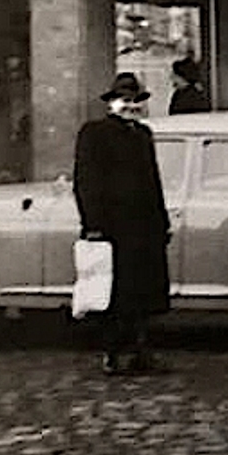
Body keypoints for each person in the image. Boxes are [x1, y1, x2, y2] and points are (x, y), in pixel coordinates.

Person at [73, 72, 171, 375]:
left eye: (135, 101)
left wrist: (162, 220)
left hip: (144, 226)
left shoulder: (143, 134)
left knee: (143, 292)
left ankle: (142, 350)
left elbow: (153, 180)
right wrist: (93, 224)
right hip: (111, 226)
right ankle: (112, 353)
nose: (130, 106)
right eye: (124, 100)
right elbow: (85, 181)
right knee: (112, 292)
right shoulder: (94, 133)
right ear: (111, 103)